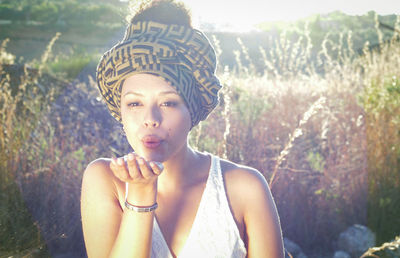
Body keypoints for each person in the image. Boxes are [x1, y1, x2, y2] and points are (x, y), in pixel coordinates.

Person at [80, 0, 284, 257]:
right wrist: (141, 197)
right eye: (134, 103)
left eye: (168, 102)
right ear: (119, 109)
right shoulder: (104, 179)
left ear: (193, 108)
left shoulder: (245, 188)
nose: (150, 119)